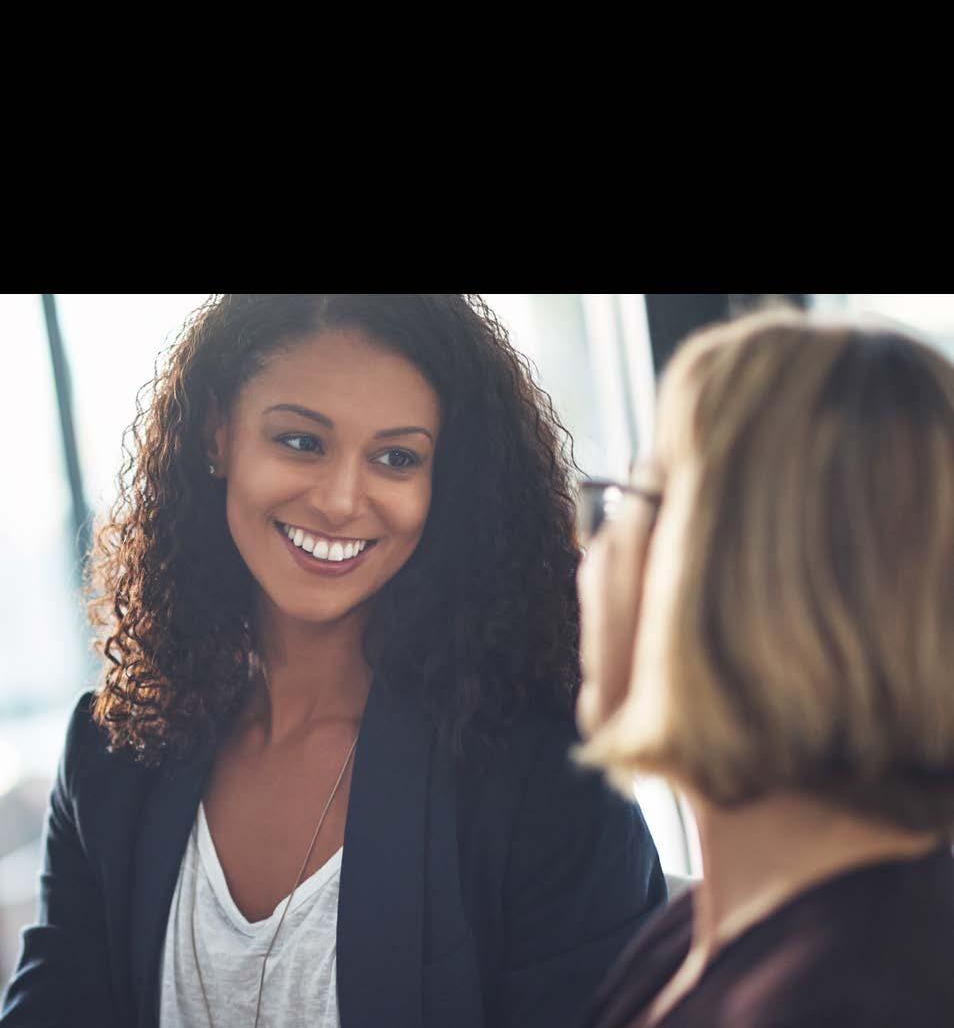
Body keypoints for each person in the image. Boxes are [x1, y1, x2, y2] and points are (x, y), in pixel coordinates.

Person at [1, 294, 664, 1028]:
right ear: (217, 433)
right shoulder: (109, 753)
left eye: (396, 457)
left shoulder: (544, 779)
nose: (342, 499)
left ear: (443, 483)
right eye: (301, 442)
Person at [577, 311, 954, 1028]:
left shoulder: (861, 999)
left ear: (725, 574)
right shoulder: (690, 936)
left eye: (633, 499)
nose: (590, 549)